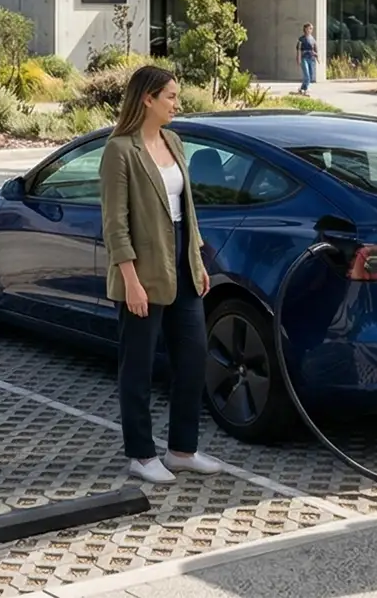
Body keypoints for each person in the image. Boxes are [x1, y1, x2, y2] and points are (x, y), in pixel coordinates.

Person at [97, 64, 226, 484]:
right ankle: (140, 454)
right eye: (170, 96)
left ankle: (181, 450)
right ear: (147, 99)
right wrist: (130, 279)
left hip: (182, 263)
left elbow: (186, 209)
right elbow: (114, 223)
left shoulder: (174, 141)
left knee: (192, 358)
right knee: (137, 366)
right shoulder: (120, 150)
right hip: (142, 269)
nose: (177, 103)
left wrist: (198, 259)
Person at [295, 22, 319, 95]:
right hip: (304, 58)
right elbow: (298, 50)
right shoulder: (301, 39)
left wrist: (317, 57)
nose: (310, 30)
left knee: (311, 75)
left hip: (311, 58)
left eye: (311, 28)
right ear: (305, 29)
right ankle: (306, 89)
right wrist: (298, 59)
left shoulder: (313, 39)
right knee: (307, 75)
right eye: (309, 28)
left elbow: (316, 49)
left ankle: (302, 88)